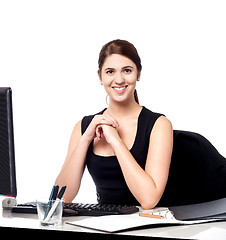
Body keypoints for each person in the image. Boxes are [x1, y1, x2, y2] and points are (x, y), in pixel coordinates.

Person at [55, 39, 173, 209]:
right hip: (103, 224)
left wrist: (116, 141)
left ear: (138, 74)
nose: (118, 79)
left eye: (127, 70)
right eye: (110, 71)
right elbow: (60, 199)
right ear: (100, 77)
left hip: (149, 225)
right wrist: (85, 139)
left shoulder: (159, 125)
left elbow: (149, 200)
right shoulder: (84, 126)